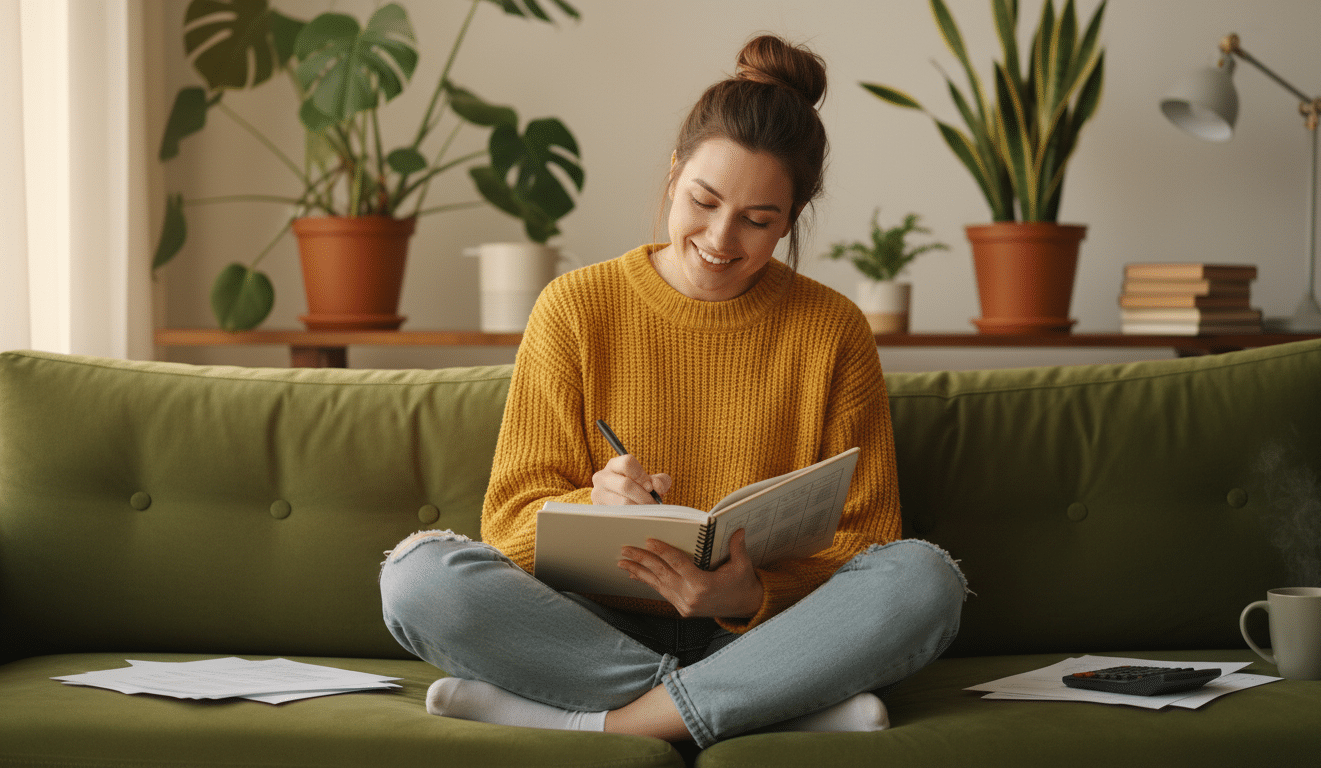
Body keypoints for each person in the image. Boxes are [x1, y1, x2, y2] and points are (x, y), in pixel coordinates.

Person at [380, 34, 967, 748]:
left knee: (925, 581)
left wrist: (747, 595)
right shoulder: (575, 307)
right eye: (704, 200)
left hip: (761, 631)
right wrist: (593, 505)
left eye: (759, 221)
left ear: (792, 217)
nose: (722, 239)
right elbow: (507, 522)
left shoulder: (833, 330)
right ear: (672, 175)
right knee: (418, 579)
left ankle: (617, 722)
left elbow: (869, 540)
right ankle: (762, 704)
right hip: (592, 629)